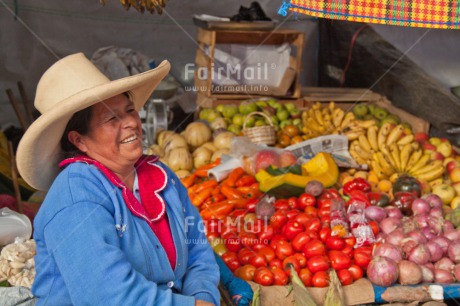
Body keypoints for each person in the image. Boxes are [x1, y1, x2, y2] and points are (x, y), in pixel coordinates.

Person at [16, 53, 220, 306]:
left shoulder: (162, 177)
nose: (131, 123)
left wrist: (203, 296)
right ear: (79, 140)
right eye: (112, 118)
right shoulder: (75, 196)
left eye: (130, 110)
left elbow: (198, 252)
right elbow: (106, 294)